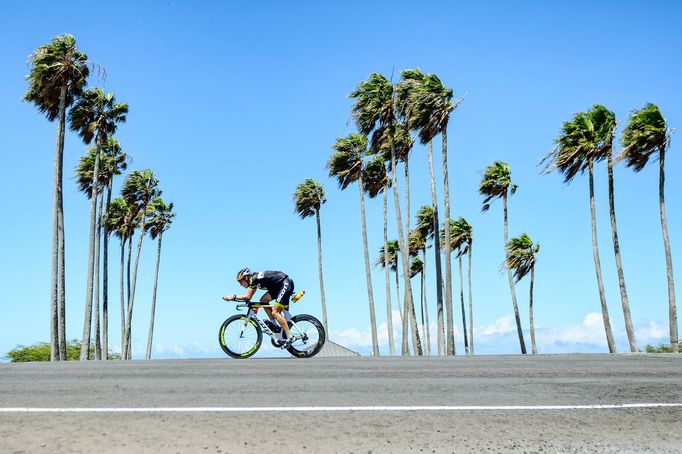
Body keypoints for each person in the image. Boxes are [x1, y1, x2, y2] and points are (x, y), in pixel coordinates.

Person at [223, 267, 295, 347]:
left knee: (275, 312)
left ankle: (290, 336)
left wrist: (233, 297)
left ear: (246, 277)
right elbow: (249, 297)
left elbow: (248, 296)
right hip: (277, 287)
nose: (240, 284)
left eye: (241, 281)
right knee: (263, 301)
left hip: (285, 283)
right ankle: (275, 327)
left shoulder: (254, 279)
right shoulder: (253, 282)